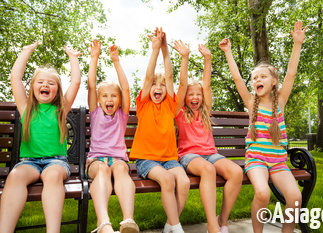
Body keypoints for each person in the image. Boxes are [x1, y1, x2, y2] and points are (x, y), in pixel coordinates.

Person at [219, 20, 307, 233]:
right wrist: (228, 52)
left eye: (263, 76)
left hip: (277, 162)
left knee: (295, 196)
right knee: (263, 194)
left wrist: (297, 44)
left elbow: (291, 75)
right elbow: (238, 79)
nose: (257, 79)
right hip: (256, 160)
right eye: (255, 77)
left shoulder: (281, 103)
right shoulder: (251, 103)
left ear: (273, 81)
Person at [0, 41, 81, 233]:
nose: (45, 85)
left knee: (52, 176)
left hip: (56, 162)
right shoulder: (26, 108)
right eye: (41, 82)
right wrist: (25, 52)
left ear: (56, 90)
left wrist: (73, 58)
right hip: (29, 163)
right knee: (15, 176)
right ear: (33, 88)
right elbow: (15, 78)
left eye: (51, 83)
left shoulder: (60, 110)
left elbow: (75, 82)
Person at [174, 41, 243, 233]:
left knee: (237, 172)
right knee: (208, 169)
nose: (194, 97)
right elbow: (181, 84)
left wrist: (208, 58)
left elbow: (207, 84)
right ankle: (212, 226)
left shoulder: (205, 111)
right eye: (190, 95)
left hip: (211, 154)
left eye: (198, 94)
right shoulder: (179, 111)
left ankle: (223, 221)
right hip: (189, 156)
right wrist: (185, 58)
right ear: (184, 98)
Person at [129, 28, 190, 233]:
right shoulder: (144, 104)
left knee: (183, 182)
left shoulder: (170, 106)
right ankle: (177, 228)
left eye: (161, 85)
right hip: (147, 159)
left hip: (169, 159)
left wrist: (166, 50)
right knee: (167, 179)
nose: (158, 88)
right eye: (155, 85)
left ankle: (170, 224)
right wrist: (155, 49)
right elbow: (148, 78)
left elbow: (171, 76)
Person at [87, 40, 139, 233]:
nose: (110, 99)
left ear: (119, 101)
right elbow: (91, 86)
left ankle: (128, 221)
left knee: (120, 170)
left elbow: (126, 89)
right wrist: (95, 58)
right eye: (105, 96)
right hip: (96, 160)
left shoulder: (122, 115)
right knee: (102, 170)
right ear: (99, 100)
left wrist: (116, 62)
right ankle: (104, 224)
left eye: (114, 96)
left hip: (118, 159)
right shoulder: (95, 113)